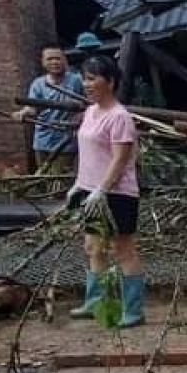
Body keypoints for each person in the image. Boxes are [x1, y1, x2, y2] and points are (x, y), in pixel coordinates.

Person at [65, 54, 146, 328]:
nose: (86, 84)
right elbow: (88, 154)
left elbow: (120, 160)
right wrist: (79, 184)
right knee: (92, 247)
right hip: (91, 190)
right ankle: (95, 301)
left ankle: (134, 311)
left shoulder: (119, 117)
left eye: (92, 78)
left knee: (123, 250)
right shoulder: (90, 112)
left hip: (117, 193)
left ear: (110, 81)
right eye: (83, 78)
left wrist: (102, 189)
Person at [10, 44, 85, 173]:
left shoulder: (77, 81)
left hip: (66, 140)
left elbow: (88, 104)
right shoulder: (38, 84)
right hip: (42, 139)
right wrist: (23, 113)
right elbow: (33, 109)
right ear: (43, 62)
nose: (54, 62)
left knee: (59, 177)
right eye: (50, 59)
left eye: (58, 58)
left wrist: (80, 114)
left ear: (64, 60)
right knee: (43, 176)